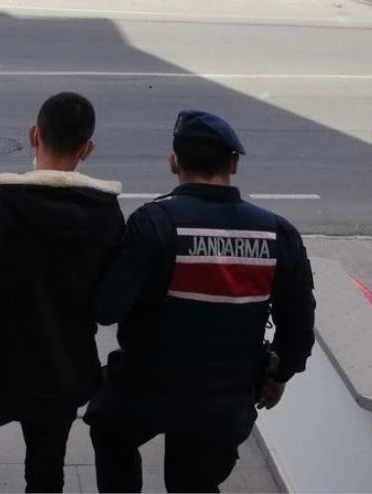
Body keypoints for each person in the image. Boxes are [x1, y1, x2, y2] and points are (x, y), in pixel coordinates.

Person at [85, 110, 316, 493]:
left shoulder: (154, 223)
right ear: (234, 163)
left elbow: (107, 308)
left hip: (146, 387)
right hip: (226, 397)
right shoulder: (278, 233)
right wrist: (279, 375)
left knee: (109, 429)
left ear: (174, 161)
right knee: (192, 481)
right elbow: (299, 324)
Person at [0, 92, 125, 493]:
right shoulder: (106, 214)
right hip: (62, 371)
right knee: (46, 468)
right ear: (87, 149)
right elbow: (108, 304)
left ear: (34, 135)